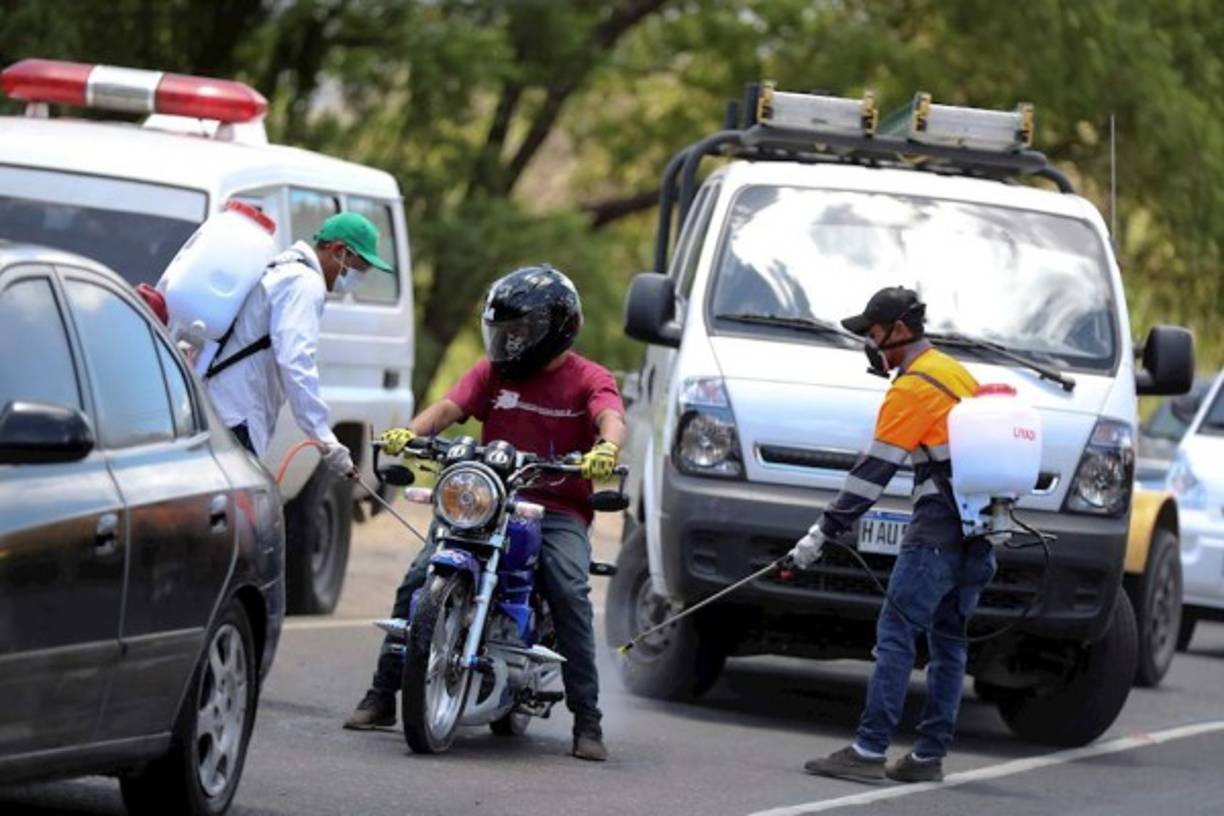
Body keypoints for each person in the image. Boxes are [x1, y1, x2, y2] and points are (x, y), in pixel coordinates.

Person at [344, 264, 625, 762]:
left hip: (555, 508)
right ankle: (383, 694)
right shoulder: (492, 372)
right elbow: (448, 409)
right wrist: (410, 433)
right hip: (486, 498)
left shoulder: (589, 378)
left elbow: (610, 415)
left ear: (557, 328)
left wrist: (606, 447)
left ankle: (588, 719)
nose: (511, 341)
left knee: (567, 589)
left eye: (522, 330)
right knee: (416, 580)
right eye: (505, 330)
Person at [792, 286, 994, 784]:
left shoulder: (912, 388)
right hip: (981, 532)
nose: (869, 342)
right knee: (949, 644)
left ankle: (868, 749)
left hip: (936, 534)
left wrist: (821, 533)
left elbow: (871, 475)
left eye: (874, 332)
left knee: (896, 636)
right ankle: (927, 757)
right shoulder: (955, 372)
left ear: (899, 330)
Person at [203, 211, 393, 476]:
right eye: (359, 268)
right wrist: (325, 438)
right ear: (339, 251)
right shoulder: (305, 284)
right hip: (237, 418)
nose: (357, 278)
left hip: (220, 408)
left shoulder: (284, 270)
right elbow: (296, 361)